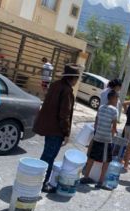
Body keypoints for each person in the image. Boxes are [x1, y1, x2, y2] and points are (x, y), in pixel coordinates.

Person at [34, 64, 80, 193]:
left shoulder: (55, 85)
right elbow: (64, 115)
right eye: (77, 78)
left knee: (46, 155)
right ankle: (42, 183)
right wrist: (66, 133)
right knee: (49, 157)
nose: (77, 81)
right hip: (56, 130)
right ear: (73, 78)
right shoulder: (67, 91)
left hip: (48, 127)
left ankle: (38, 181)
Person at [80, 90, 119, 189]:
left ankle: (86, 176)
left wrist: (97, 131)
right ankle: (100, 181)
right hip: (106, 139)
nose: (117, 100)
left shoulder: (101, 107)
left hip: (97, 136)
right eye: (117, 98)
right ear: (113, 98)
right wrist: (114, 134)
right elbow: (114, 127)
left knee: (92, 158)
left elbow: (96, 122)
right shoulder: (114, 110)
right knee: (106, 161)